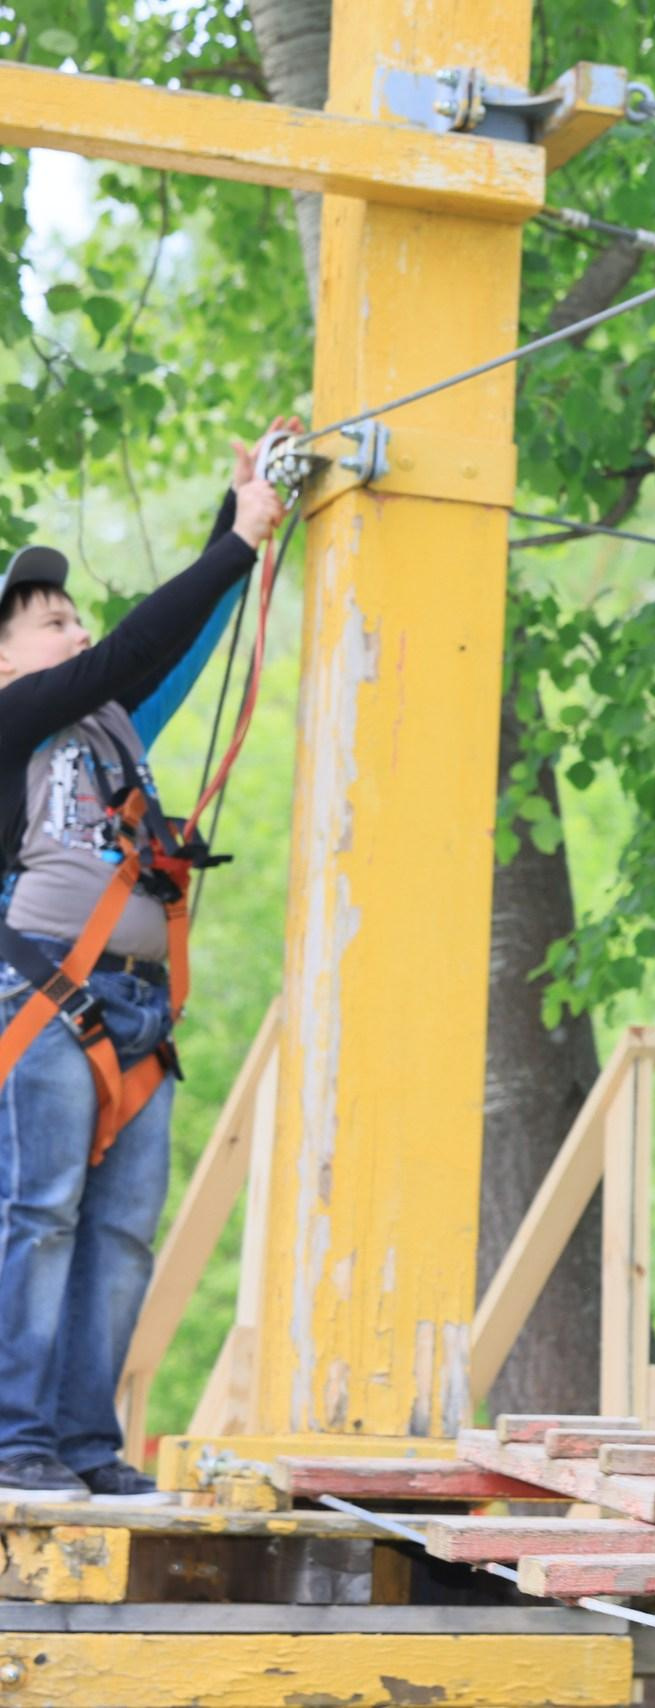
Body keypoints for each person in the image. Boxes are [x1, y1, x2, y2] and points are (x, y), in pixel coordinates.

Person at [0, 420, 292, 1504]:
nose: (77, 633)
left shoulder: (114, 725)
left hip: (135, 1013)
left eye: (77, 617)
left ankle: (82, 1439)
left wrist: (242, 522)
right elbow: (130, 648)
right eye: (52, 624)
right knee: (39, 1218)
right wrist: (235, 540)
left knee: (120, 1234)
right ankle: (15, 1437)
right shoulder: (13, 724)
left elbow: (173, 646)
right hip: (41, 998)